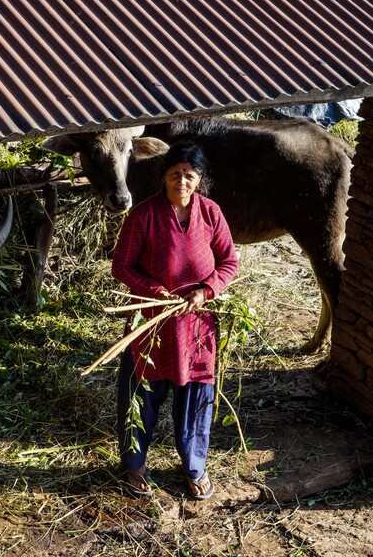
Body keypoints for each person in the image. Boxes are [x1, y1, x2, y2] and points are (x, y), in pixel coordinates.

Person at [111, 142, 239, 500]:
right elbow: (121, 266)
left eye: (189, 175)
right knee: (141, 396)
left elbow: (229, 262)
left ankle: (195, 465)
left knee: (197, 397)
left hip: (197, 327)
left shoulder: (211, 214)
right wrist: (156, 291)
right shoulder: (143, 216)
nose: (182, 181)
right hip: (152, 325)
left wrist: (206, 291)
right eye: (175, 174)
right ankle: (134, 465)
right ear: (163, 175)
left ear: (199, 179)